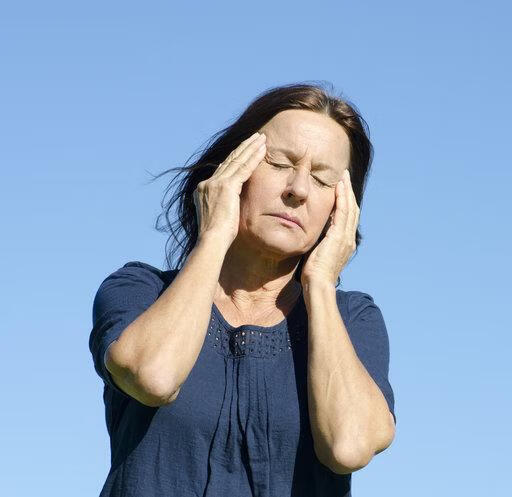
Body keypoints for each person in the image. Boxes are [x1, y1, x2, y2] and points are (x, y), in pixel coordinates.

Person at [88, 82, 396, 497]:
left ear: (340, 209)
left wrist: (320, 286)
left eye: (323, 181)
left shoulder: (353, 319)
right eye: (279, 162)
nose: (298, 190)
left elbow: (349, 446)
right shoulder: (139, 290)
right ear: (232, 170)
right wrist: (214, 235)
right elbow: (154, 378)